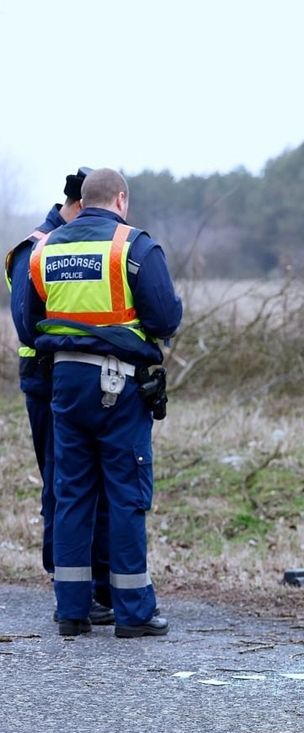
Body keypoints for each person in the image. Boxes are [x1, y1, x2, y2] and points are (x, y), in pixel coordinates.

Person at [24, 168, 181, 637]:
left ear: (81, 200)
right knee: (126, 494)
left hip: (65, 383)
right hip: (118, 385)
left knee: (70, 492)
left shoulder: (45, 248)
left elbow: (32, 321)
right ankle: (133, 613)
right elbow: (165, 317)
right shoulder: (132, 246)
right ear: (120, 199)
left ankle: (72, 611)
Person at [4, 168, 114, 625]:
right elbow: (29, 326)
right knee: (62, 483)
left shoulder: (77, 245)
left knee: (97, 485)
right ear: (77, 206)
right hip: (47, 381)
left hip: (79, 378)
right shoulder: (36, 249)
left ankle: (101, 583)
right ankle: (68, 585)